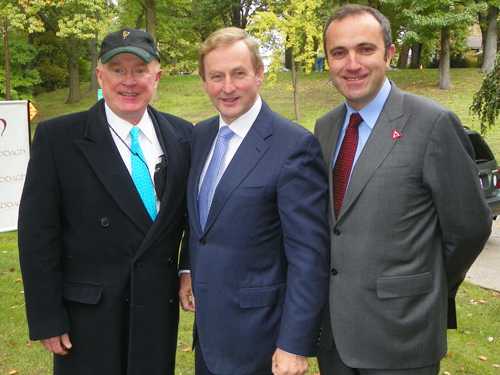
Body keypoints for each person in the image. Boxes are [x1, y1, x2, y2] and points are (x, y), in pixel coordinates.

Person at [315, 5, 492, 375]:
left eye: (365, 49)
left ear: (390, 54)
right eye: (339, 52)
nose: (352, 64)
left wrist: (425, 290)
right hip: (335, 339)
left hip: (403, 336)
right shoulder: (326, 127)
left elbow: (470, 228)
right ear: (328, 60)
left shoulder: (433, 123)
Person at [18, 27, 192, 375]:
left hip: (156, 310)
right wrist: (48, 317)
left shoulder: (185, 135)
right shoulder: (59, 137)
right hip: (88, 318)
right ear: (99, 75)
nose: (129, 81)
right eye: (117, 69)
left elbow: (196, 215)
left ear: (156, 77)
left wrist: (187, 268)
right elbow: (38, 233)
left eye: (140, 70)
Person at [178, 27, 330, 375]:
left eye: (239, 73)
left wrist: (293, 344)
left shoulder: (294, 146)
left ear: (260, 74)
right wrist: (188, 267)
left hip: (263, 341)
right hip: (209, 335)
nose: (227, 87)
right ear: (203, 81)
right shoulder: (200, 135)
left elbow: (309, 256)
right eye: (216, 76)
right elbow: (201, 221)